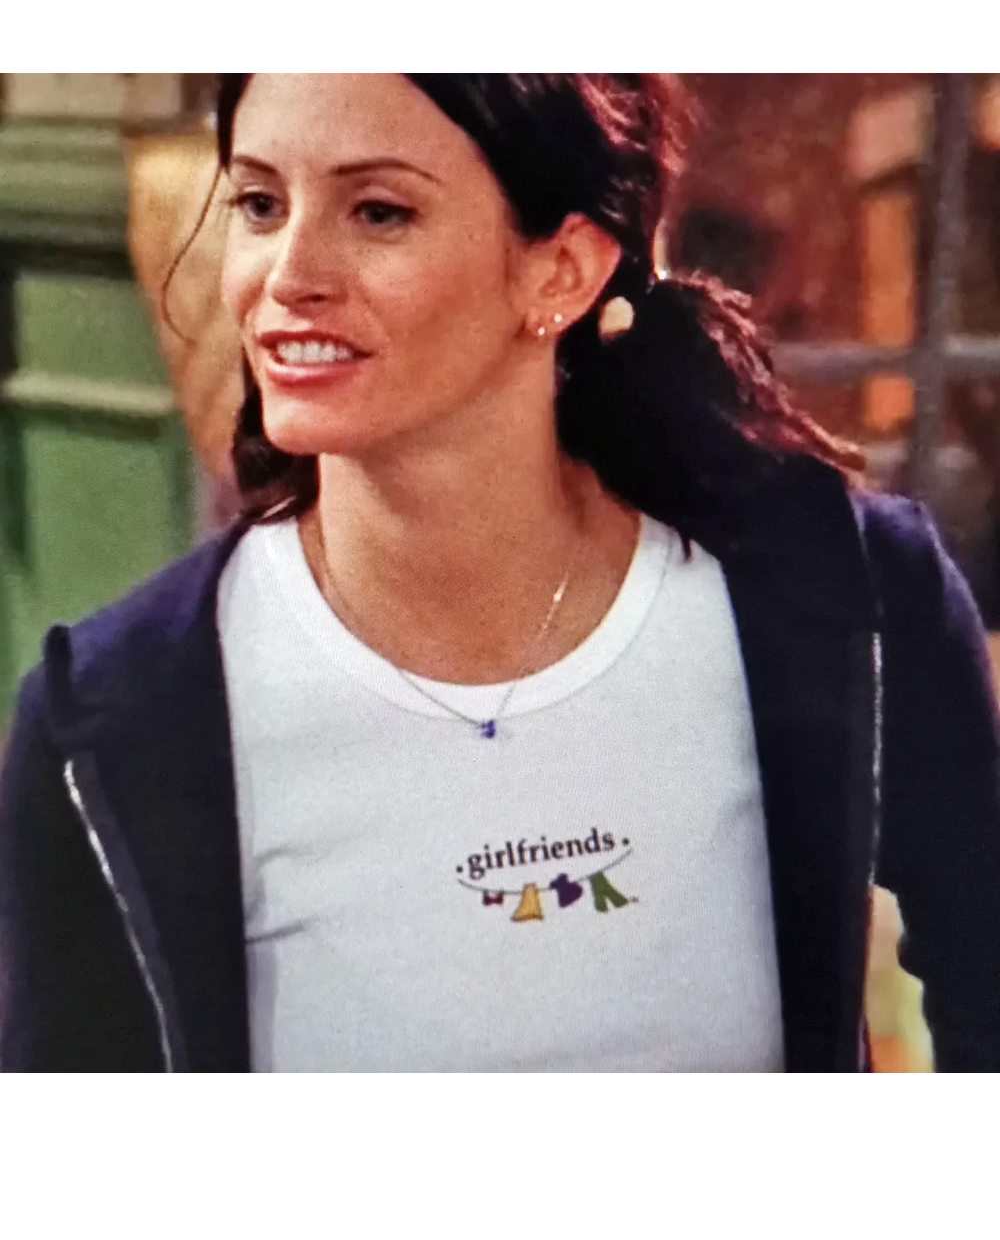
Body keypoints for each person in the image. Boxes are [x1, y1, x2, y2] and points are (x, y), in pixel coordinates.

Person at [2, 73, 999, 1074]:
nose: (287, 274)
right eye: (261, 204)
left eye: (378, 211)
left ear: (561, 271)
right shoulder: (118, 718)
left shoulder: (846, 596)